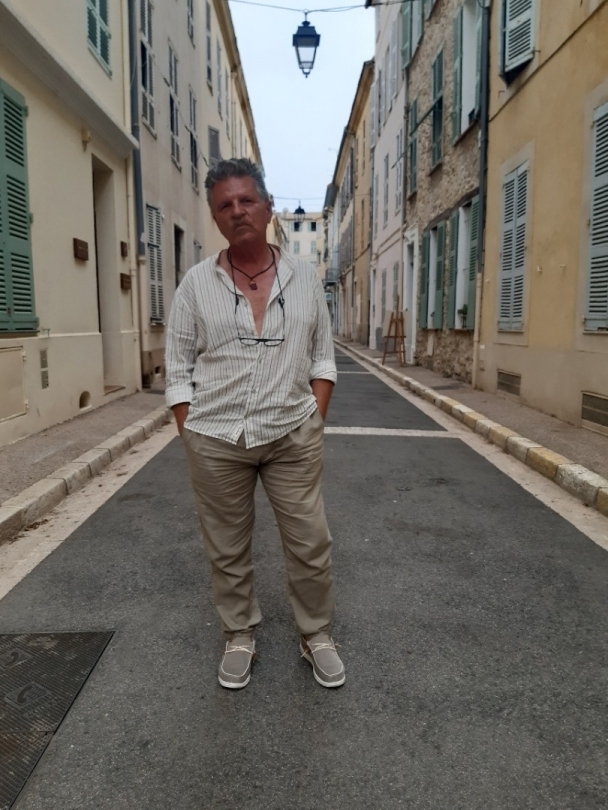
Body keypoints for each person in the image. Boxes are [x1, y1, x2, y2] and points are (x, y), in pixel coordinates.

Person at [165, 158, 344, 690]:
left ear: (268, 208)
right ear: (215, 217)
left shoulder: (304, 279)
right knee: (226, 546)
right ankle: (239, 633)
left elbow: (323, 357)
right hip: (216, 437)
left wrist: (314, 418)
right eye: (225, 204)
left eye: (247, 200)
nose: (237, 210)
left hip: (291, 433)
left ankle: (316, 634)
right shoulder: (196, 284)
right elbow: (177, 367)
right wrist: (190, 430)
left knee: (310, 541)